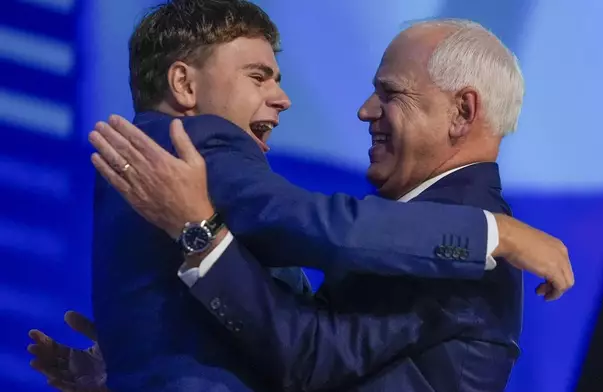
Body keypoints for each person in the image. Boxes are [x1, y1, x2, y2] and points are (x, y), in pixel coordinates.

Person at [28, 2, 573, 391]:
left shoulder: (456, 241)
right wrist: (150, 352)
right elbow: (306, 236)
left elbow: (307, 354)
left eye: (390, 94)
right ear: (185, 86)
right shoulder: (193, 146)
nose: (364, 111)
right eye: (258, 76)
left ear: (462, 112)